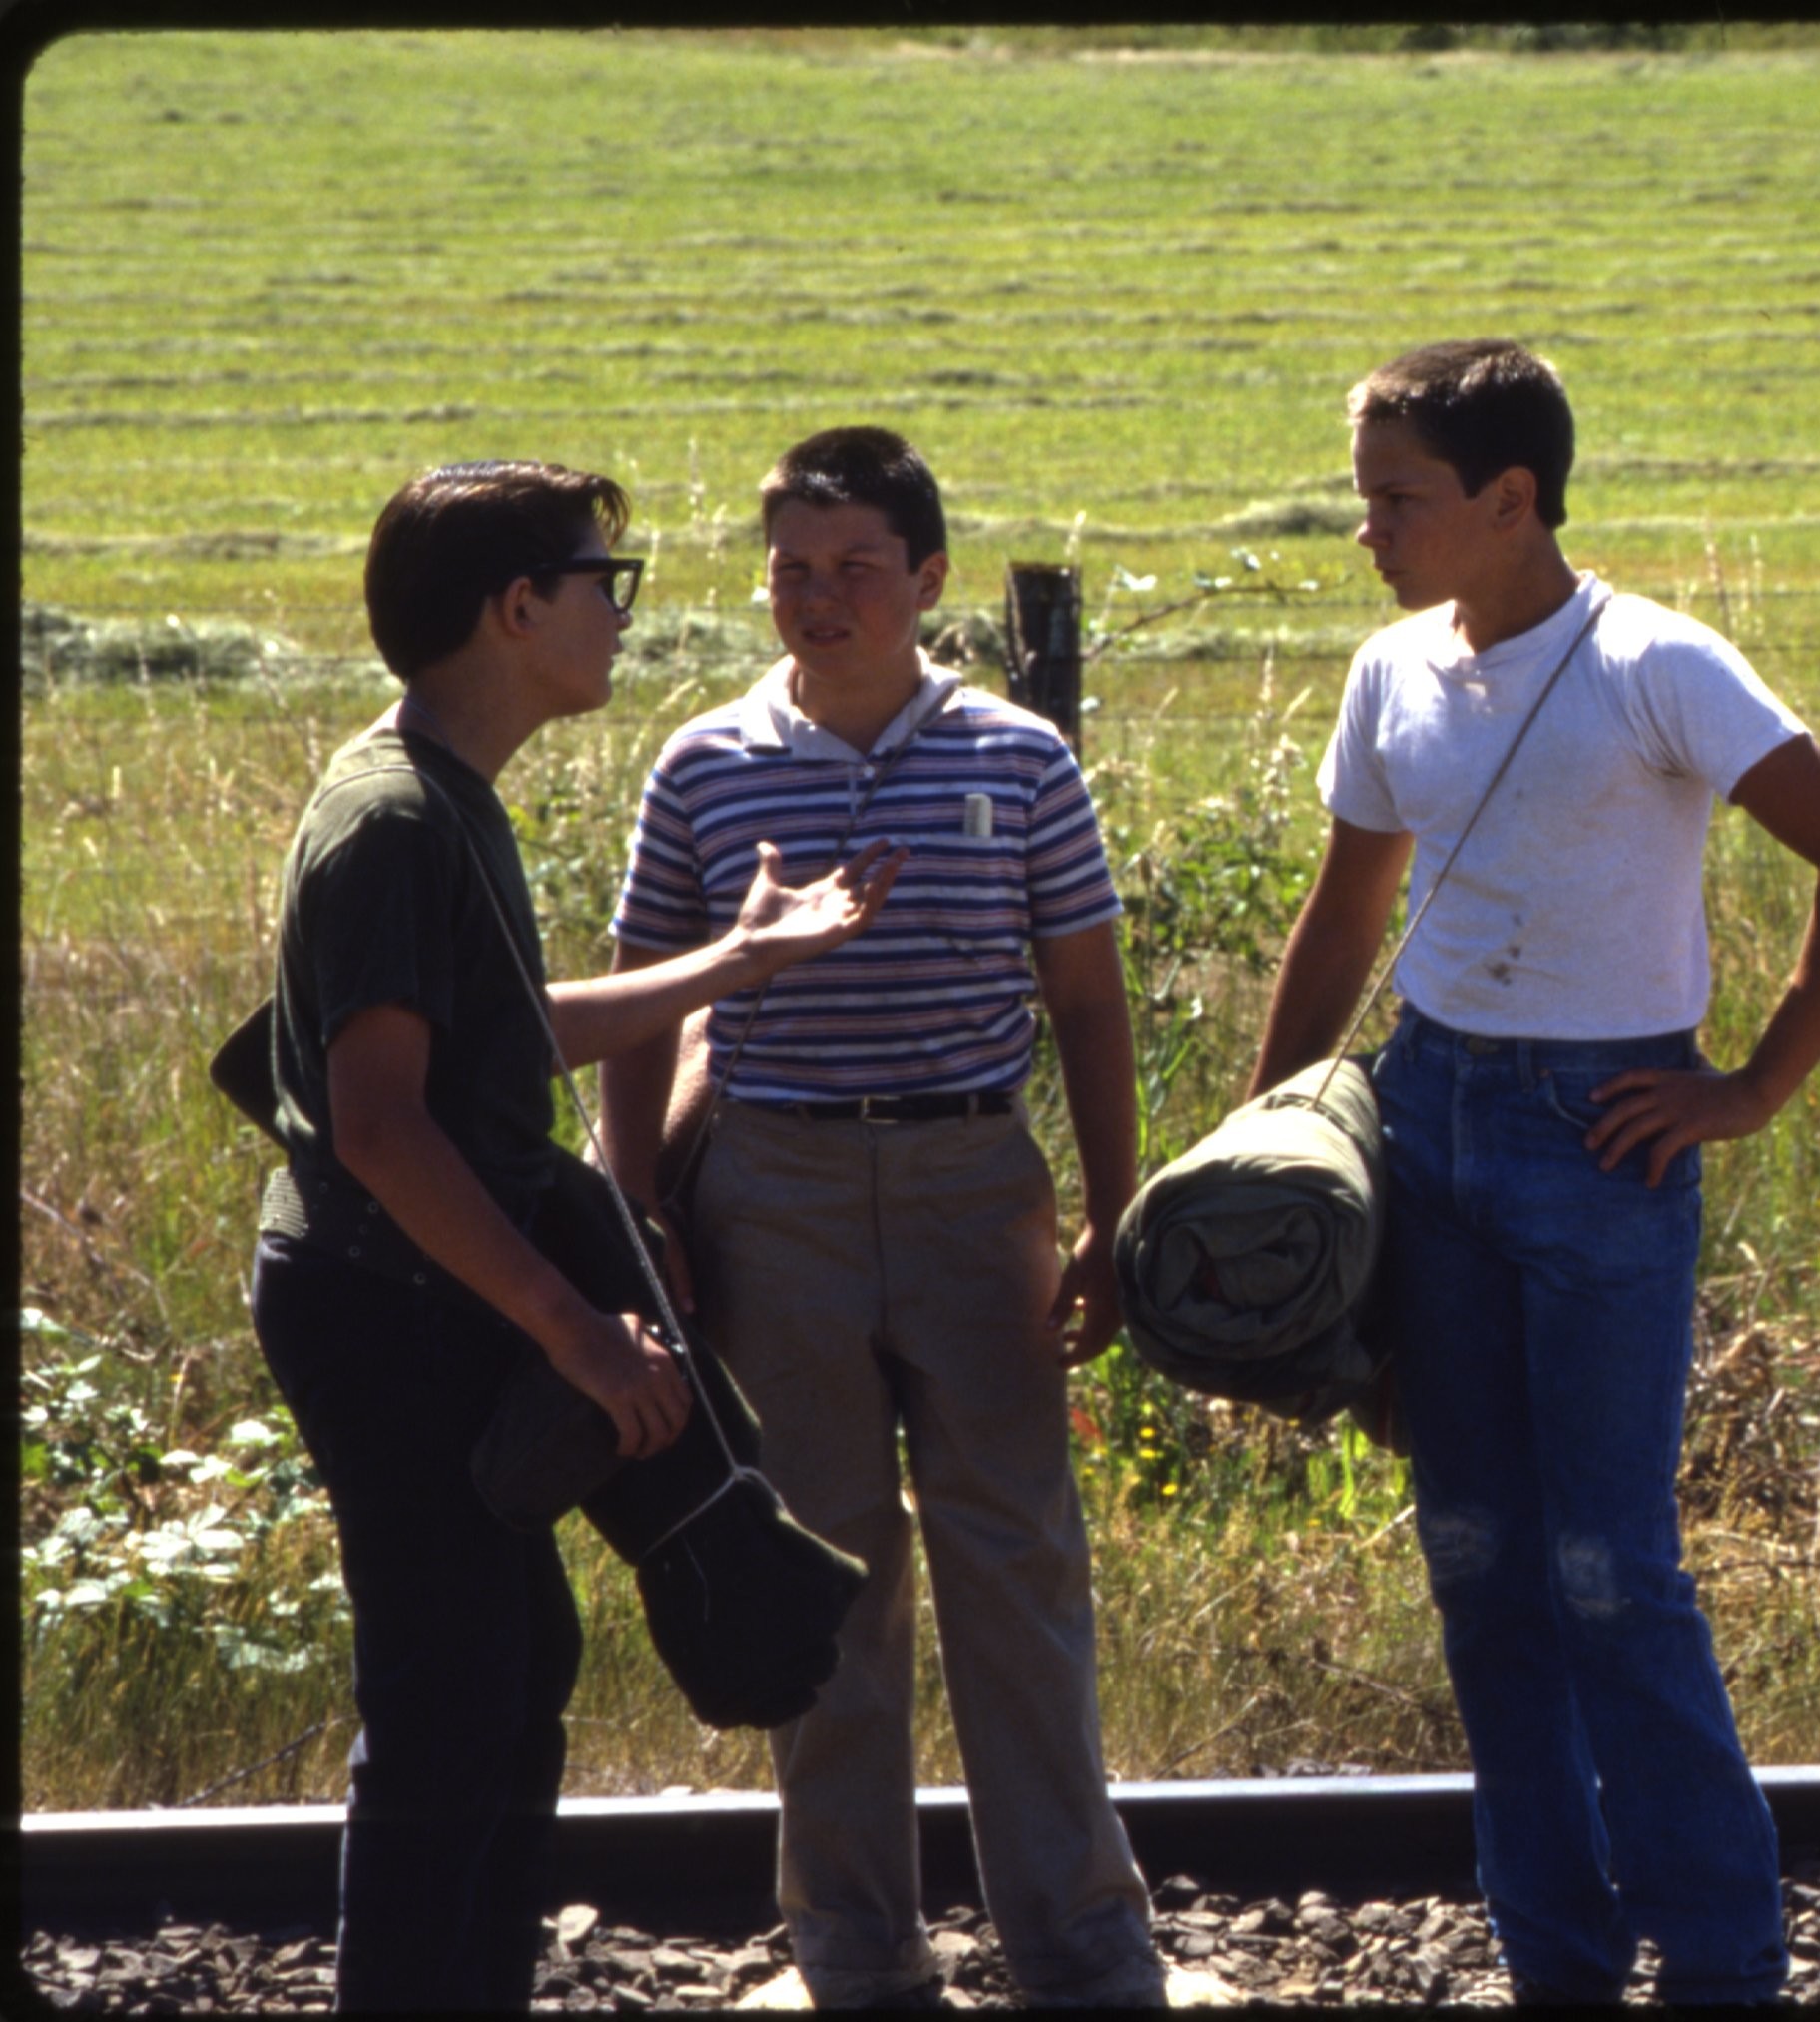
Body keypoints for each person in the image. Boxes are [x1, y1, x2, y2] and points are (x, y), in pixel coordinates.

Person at [1250, 339, 1820, 2006]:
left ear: (1511, 499)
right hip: (1428, 1122)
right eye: (1362, 496)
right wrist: (1260, 1146)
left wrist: (1750, 1087)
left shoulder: (1655, 661)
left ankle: (1721, 1962)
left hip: (1604, 1135)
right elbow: (1343, 916)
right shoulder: (1391, 670)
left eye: (1397, 499)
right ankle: (1556, 1958)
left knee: (1612, 1572)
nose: (1366, 530)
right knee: (1480, 1562)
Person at [250, 460, 904, 2012]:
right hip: (391, 1302)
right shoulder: (395, 819)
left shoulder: (438, 790)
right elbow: (382, 1124)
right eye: (603, 582)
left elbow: (499, 1028)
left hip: (428, 1284)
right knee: (450, 1696)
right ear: (517, 607)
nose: (623, 612)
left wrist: (731, 963)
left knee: (512, 1666)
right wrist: (573, 1328)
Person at [596, 426, 1165, 2010]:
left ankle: (1080, 1945)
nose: (818, 595)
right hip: (769, 1196)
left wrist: (1113, 1214)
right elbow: (641, 1002)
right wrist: (638, 1208)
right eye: (791, 567)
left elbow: (1089, 1001)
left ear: (928, 578)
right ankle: (855, 1952)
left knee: (1019, 1561)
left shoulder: (1020, 759)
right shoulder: (704, 762)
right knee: (821, 1570)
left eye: (855, 566)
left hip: (975, 1186)